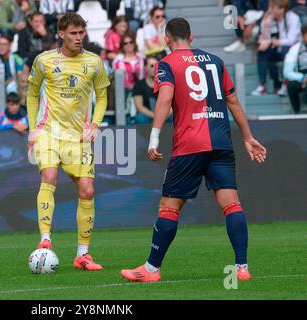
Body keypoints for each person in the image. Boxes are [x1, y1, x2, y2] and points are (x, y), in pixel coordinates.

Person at [120, 17, 267, 282]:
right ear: (192, 36)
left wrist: (153, 138)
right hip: (221, 141)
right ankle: (242, 267)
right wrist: (248, 137)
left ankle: (151, 270)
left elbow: (165, 98)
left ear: (166, 39)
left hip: (190, 145)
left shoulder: (167, 64)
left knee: (168, 206)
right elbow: (232, 101)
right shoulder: (216, 61)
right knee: (231, 205)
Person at [27, 13, 110, 270]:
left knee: (87, 190)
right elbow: (32, 95)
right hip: (49, 132)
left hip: (78, 137)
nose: (78, 38)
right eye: (73, 33)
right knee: (48, 177)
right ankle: (45, 240)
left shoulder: (94, 63)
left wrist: (94, 123)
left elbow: (102, 96)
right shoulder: (44, 61)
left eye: (81, 33)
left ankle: (82, 254)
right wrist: (33, 130)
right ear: (61, 34)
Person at [251, 0, 301, 96]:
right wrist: (265, 26)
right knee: (262, 51)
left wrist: (270, 42)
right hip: (276, 49)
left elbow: (291, 40)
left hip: (292, 52)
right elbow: (263, 40)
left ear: (281, 9)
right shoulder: (269, 18)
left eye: (273, 8)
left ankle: (285, 84)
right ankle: (262, 85)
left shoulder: (292, 17)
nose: (270, 10)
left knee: (286, 49)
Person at [283, 24, 307, 113]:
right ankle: (296, 111)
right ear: (303, 35)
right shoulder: (294, 49)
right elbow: (287, 72)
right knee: (292, 86)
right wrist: (303, 78)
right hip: (300, 80)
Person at [132, 56, 158, 124]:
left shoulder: (165, 84)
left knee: (174, 116)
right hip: (147, 115)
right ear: (145, 68)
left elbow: (171, 105)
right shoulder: (139, 85)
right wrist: (154, 116)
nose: (155, 68)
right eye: (152, 66)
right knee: (140, 118)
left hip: (164, 115)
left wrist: (162, 116)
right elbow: (139, 107)